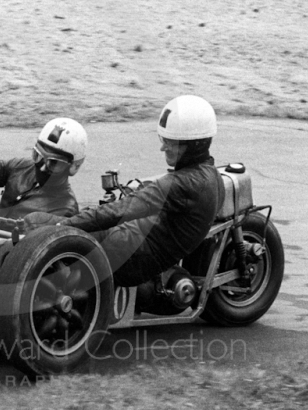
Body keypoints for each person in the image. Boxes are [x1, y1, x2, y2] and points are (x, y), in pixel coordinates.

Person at [26, 95, 225, 287]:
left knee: (40, 226)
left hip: (129, 256)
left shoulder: (181, 184)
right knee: (55, 222)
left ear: (194, 145)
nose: (163, 148)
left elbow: (120, 211)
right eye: (163, 139)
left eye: (171, 143)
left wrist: (62, 226)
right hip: (132, 245)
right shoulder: (212, 177)